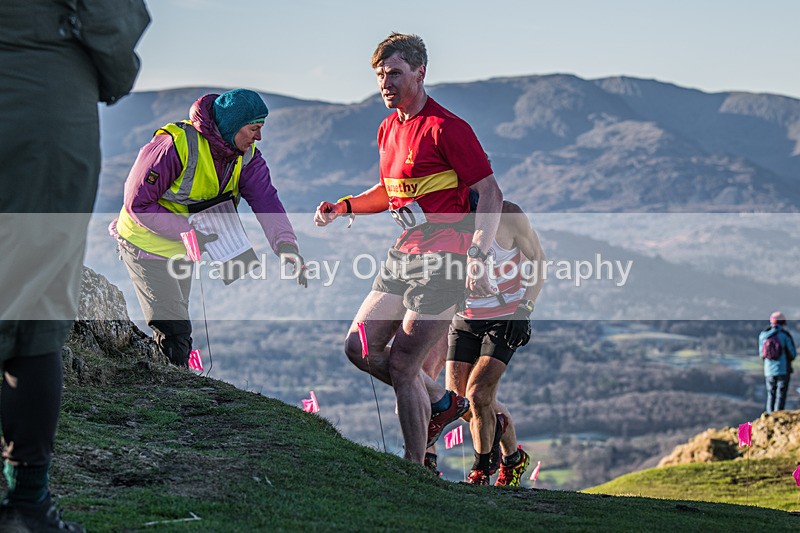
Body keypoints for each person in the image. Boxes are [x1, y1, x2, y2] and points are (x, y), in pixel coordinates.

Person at [314, 32, 504, 464]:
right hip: (404, 255)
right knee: (358, 348)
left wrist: (477, 254)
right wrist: (345, 206)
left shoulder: (448, 128)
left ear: (420, 73)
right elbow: (389, 190)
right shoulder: (388, 128)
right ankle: (441, 401)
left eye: (395, 73)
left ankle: (415, 466)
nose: (386, 83)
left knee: (402, 365)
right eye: (381, 75)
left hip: (448, 261)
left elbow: (490, 194)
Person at [0, 1, 150, 530]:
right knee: (35, 310)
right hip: (42, 104)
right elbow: (110, 18)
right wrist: (110, 69)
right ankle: (26, 505)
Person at [111, 89, 307, 368]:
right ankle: (169, 398)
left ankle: (165, 386)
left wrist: (286, 246)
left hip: (185, 248)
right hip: (144, 245)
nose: (258, 137)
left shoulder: (246, 157)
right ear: (231, 126)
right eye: (254, 128)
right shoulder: (174, 145)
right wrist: (188, 232)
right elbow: (137, 204)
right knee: (175, 331)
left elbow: (267, 200)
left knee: (177, 327)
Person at [446, 197, 545, 486]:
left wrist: (524, 309)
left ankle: (480, 471)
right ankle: (513, 457)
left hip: (505, 316)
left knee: (478, 395)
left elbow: (539, 259)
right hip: (463, 317)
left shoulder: (509, 215)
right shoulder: (446, 214)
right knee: (463, 403)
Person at [758, 311, 796, 414]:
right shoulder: (784, 335)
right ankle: (778, 414)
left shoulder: (763, 335)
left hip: (768, 370)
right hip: (783, 369)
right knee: (781, 394)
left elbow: (762, 354)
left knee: (771, 393)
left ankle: (770, 414)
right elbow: (792, 354)